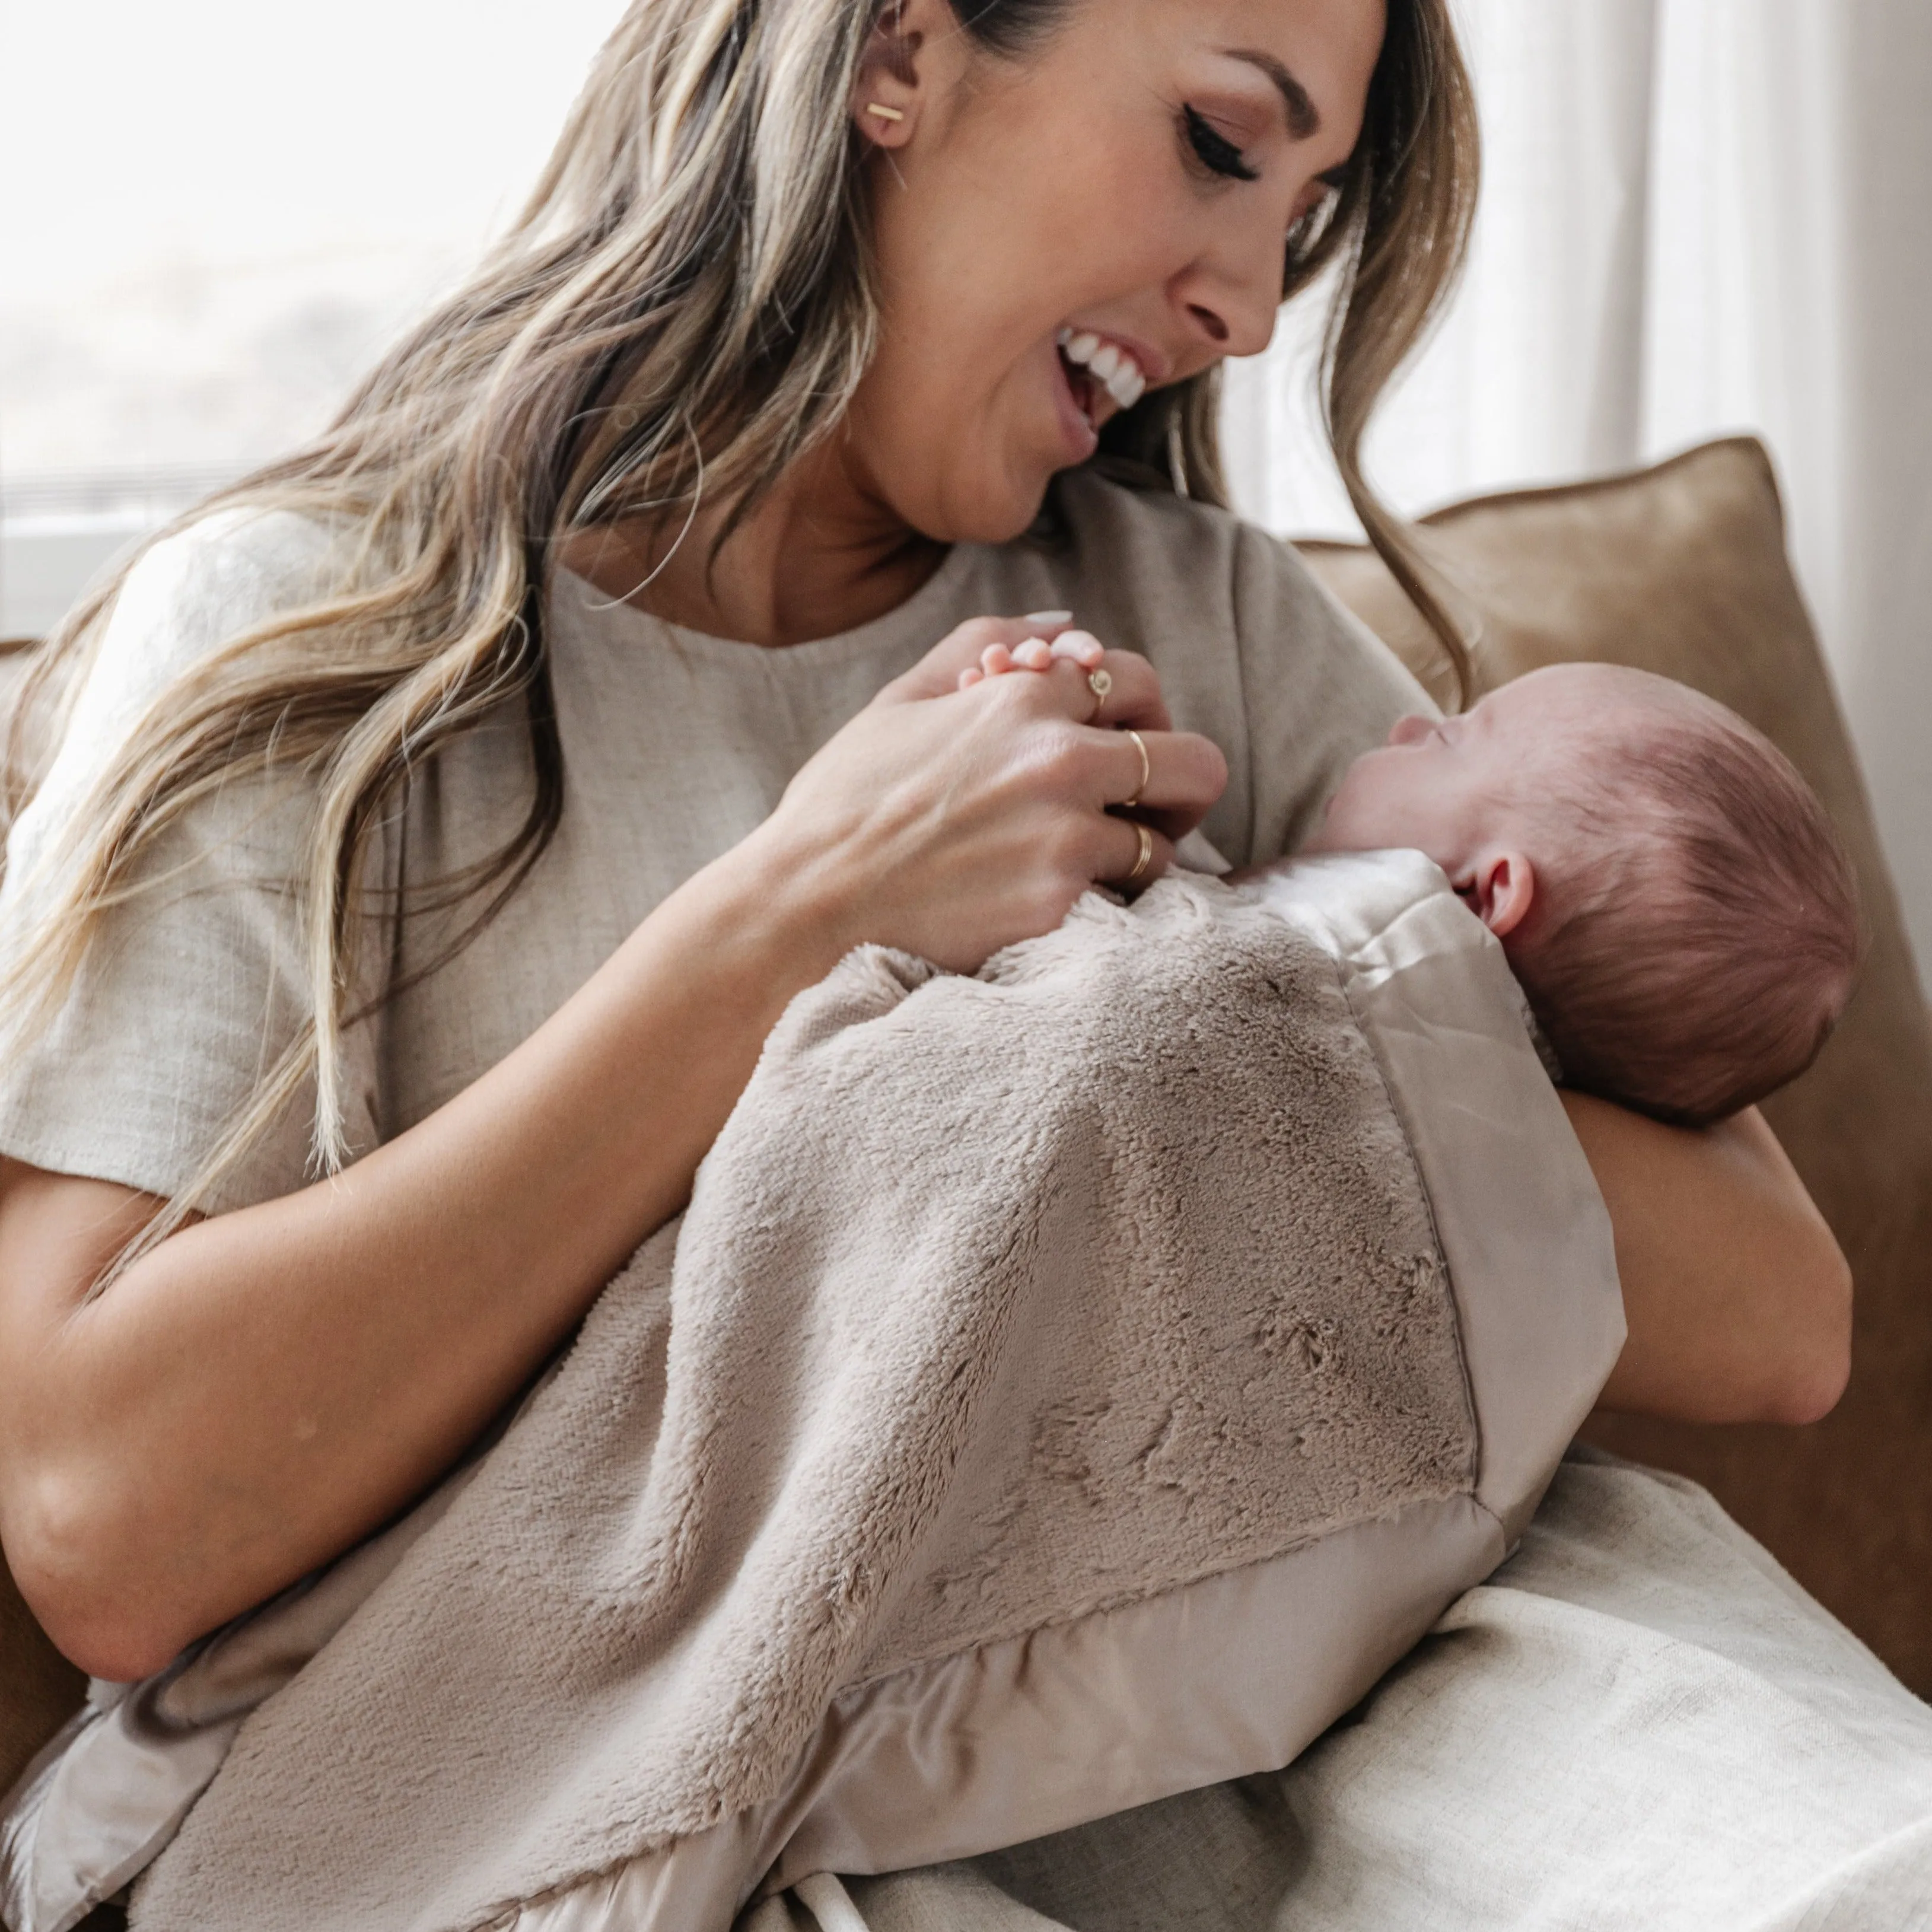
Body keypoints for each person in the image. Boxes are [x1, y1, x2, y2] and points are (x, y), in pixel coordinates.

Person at [0, 0, 1853, 1924]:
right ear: (896, 55)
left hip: (1331, 1770)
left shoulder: (1189, 616)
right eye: (1224, 146)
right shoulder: (308, 644)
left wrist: (1211, 991)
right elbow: (103, 1523)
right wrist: (795, 917)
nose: (1254, 308)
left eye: (1302, 216)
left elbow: (1774, 1311)